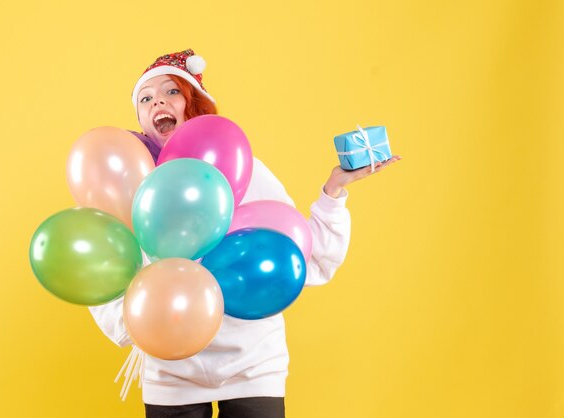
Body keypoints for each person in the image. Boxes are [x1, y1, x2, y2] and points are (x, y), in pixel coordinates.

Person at [89, 49, 401, 418]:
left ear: (195, 107)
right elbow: (105, 265)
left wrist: (333, 193)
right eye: (145, 97)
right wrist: (135, 324)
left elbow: (306, 257)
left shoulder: (239, 165)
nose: (157, 99)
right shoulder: (128, 180)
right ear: (141, 120)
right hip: (170, 370)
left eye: (172, 91)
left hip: (253, 364)